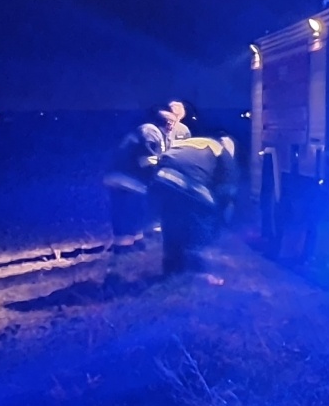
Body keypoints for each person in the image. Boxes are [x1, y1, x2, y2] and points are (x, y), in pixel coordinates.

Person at [151, 134, 239, 282]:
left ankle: (171, 269)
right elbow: (227, 189)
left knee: (171, 222)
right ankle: (200, 273)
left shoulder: (194, 142)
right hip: (188, 180)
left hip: (160, 179)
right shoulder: (223, 152)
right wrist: (222, 215)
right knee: (202, 220)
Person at [102, 105, 178, 247]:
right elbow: (146, 161)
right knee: (127, 211)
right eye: (169, 122)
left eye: (173, 122)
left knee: (133, 211)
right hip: (126, 179)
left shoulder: (157, 134)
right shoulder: (149, 131)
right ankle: (123, 246)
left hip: (129, 180)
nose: (171, 125)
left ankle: (133, 242)